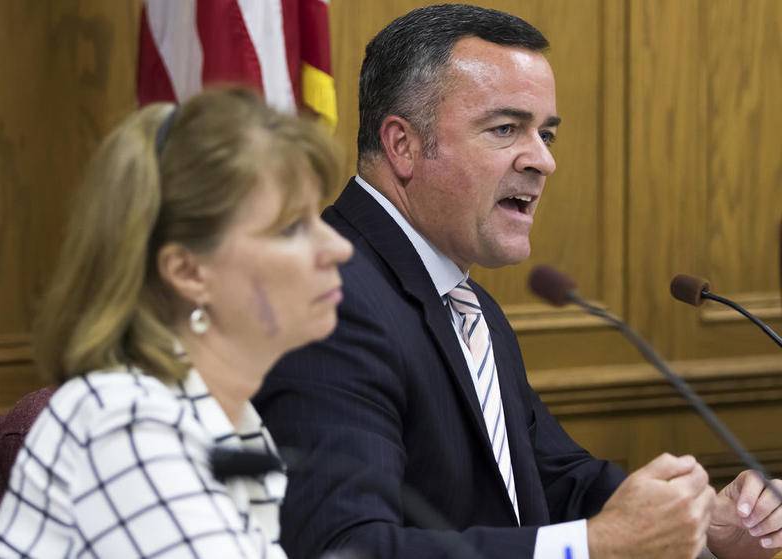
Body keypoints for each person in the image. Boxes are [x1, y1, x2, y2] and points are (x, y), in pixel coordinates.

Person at [254, 4, 782, 559]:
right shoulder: (329, 299)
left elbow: (551, 480)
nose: (543, 161)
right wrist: (592, 545)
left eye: (545, 134)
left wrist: (705, 524)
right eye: (506, 128)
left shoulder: (465, 301)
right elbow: (347, 548)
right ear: (402, 145)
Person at [0, 87, 352, 558]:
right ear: (188, 272)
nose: (339, 248)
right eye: (291, 228)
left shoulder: (229, 420)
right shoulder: (126, 425)